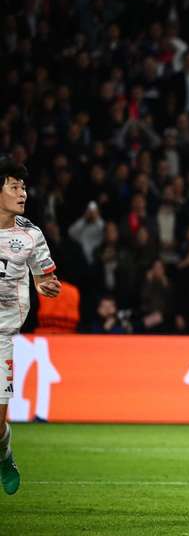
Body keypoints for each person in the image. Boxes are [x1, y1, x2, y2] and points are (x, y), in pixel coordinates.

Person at [0, 158, 62, 495]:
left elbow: (44, 279)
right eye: (14, 186)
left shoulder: (30, 234)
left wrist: (45, 286)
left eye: (23, 187)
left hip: (2, 335)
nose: (22, 193)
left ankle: (4, 454)